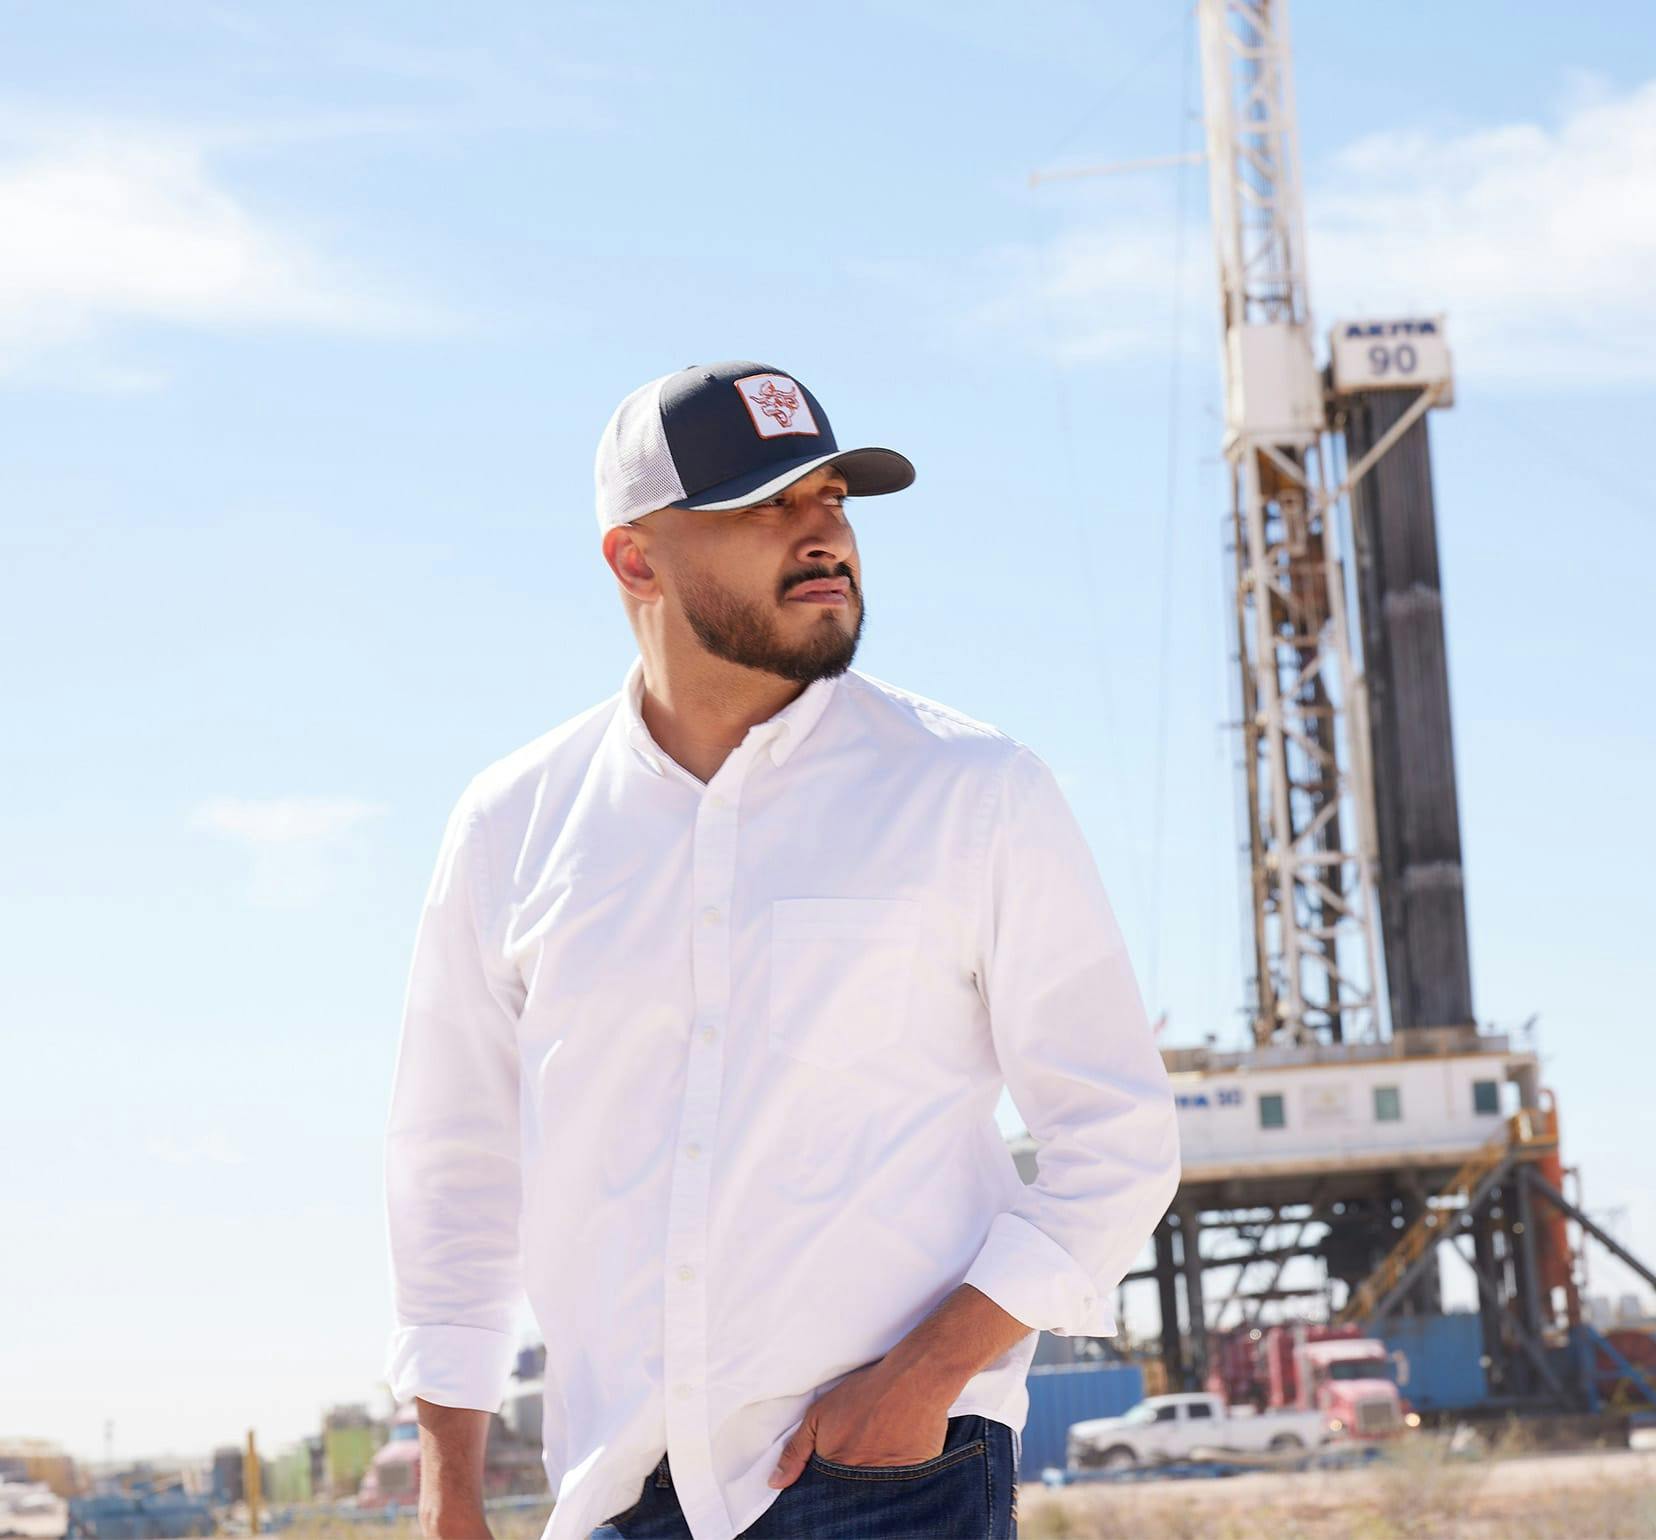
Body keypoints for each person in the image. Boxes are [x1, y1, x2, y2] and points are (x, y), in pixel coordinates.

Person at [382, 360, 1182, 1540]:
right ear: (636, 557)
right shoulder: (512, 825)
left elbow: (1117, 1140)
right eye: (768, 503)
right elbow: (454, 1167)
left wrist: (920, 1381)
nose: (822, 534)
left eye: (835, 499)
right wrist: (448, 1480)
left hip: (890, 1482)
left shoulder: (971, 791)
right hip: (621, 1494)